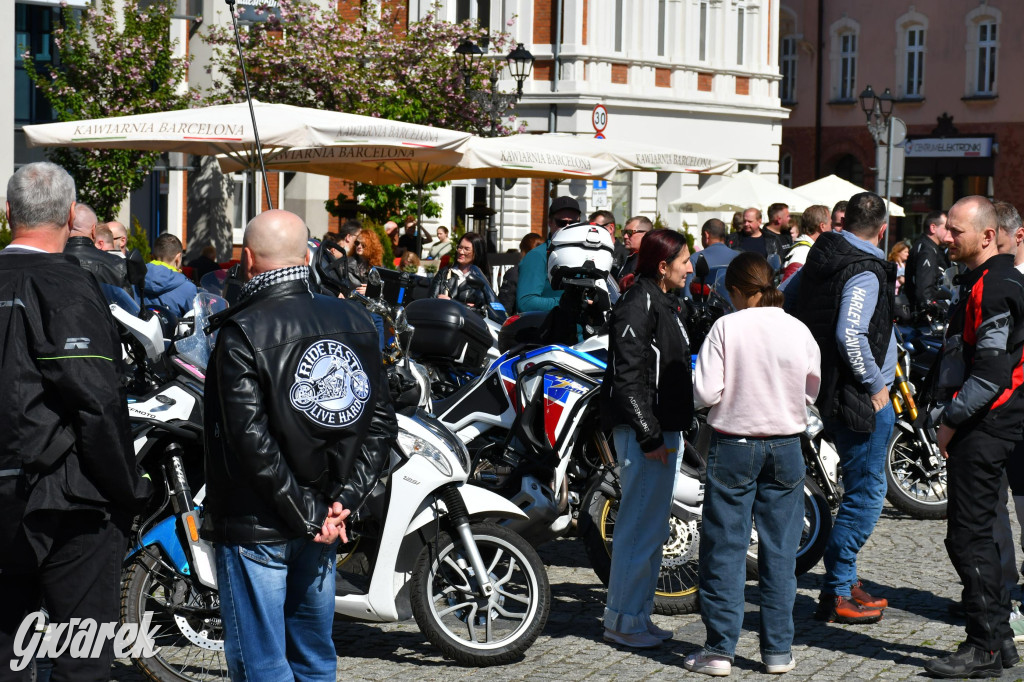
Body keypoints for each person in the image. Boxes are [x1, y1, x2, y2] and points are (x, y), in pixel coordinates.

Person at [203, 209, 397, 682]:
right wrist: (341, 503)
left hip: (260, 523)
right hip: (325, 517)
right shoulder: (354, 318)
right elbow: (380, 425)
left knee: (263, 664)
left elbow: (250, 442)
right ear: (307, 256)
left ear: (248, 259)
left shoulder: (242, 330)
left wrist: (316, 511)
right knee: (314, 660)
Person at [0, 162, 151, 680]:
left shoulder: (66, 282)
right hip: (64, 496)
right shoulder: (69, 285)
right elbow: (96, 400)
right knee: (82, 650)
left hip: (36, 489)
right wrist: (126, 487)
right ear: (70, 216)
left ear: (9, 213)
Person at [686, 252, 821, 676]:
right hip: (786, 445)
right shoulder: (798, 328)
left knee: (725, 549)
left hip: (735, 444)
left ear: (737, 291)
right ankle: (777, 650)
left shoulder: (727, 327)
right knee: (780, 552)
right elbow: (811, 390)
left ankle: (719, 651)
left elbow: (705, 392)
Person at [923, 196, 1024, 678]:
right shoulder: (988, 280)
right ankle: (998, 640)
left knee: (968, 536)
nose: (946, 237)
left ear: (987, 236)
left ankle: (984, 646)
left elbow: (990, 374)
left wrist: (950, 421)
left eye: (956, 230)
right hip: (989, 423)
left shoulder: (996, 285)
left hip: (986, 426)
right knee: (975, 533)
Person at [793, 191, 898, 625]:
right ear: (883, 229)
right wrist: (876, 384)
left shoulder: (822, 256)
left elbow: (786, 300)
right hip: (858, 398)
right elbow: (850, 335)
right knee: (866, 495)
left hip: (831, 391)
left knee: (856, 490)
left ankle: (844, 580)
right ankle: (837, 590)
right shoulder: (865, 269)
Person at [599, 229, 694, 649]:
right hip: (646, 436)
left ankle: (636, 615)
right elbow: (627, 377)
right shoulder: (638, 301)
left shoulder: (664, 300)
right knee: (638, 529)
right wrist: (649, 434)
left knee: (651, 530)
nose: (690, 268)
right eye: (685, 261)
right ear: (663, 265)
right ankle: (621, 620)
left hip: (662, 430)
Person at [517, 196, 582, 313]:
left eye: (573, 223)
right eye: (561, 223)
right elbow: (526, 303)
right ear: (550, 223)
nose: (568, 227)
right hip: (550, 323)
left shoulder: (585, 253)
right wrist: (568, 303)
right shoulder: (537, 256)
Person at [63, 202, 133, 298]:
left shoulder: (50, 258)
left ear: (67, 226)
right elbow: (126, 303)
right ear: (93, 230)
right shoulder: (117, 264)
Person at [429, 231, 498, 310]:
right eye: (460, 247)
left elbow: (482, 309)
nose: (461, 252)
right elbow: (432, 301)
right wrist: (467, 306)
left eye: (466, 249)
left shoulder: (481, 278)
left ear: (477, 252)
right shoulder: (444, 273)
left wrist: (451, 301)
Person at [903, 210, 951, 315]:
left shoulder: (930, 248)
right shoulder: (927, 250)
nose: (949, 233)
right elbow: (924, 290)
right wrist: (933, 310)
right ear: (933, 228)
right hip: (925, 317)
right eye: (946, 228)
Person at [143, 233, 198, 318]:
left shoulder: (135, 278)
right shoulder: (188, 288)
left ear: (153, 256)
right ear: (178, 258)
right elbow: (195, 320)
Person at [685, 218, 739, 295]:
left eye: (702, 235)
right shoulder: (738, 257)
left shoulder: (696, 258)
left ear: (706, 235)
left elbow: (687, 292)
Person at [781, 204, 831, 284]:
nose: (832, 228)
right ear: (822, 226)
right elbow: (786, 287)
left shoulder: (807, 249)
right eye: (830, 223)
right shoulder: (803, 252)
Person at [498, 232, 545, 314]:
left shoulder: (515, 273)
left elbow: (504, 308)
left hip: (522, 320)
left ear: (523, 252)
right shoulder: (549, 273)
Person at [616, 215, 654, 283]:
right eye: (624, 233)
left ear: (645, 234)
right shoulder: (629, 256)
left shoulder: (648, 261)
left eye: (630, 233)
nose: (625, 236)